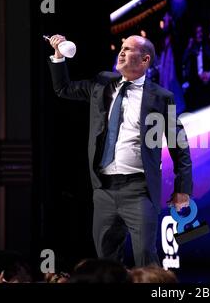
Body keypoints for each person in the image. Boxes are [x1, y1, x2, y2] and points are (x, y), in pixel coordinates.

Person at [47, 34, 193, 267]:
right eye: (121, 48)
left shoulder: (161, 98)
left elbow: (180, 146)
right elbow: (63, 88)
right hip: (103, 190)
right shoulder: (102, 83)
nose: (121, 52)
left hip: (139, 190)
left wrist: (182, 189)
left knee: (146, 257)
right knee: (106, 262)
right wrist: (58, 56)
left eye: (128, 49)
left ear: (145, 60)